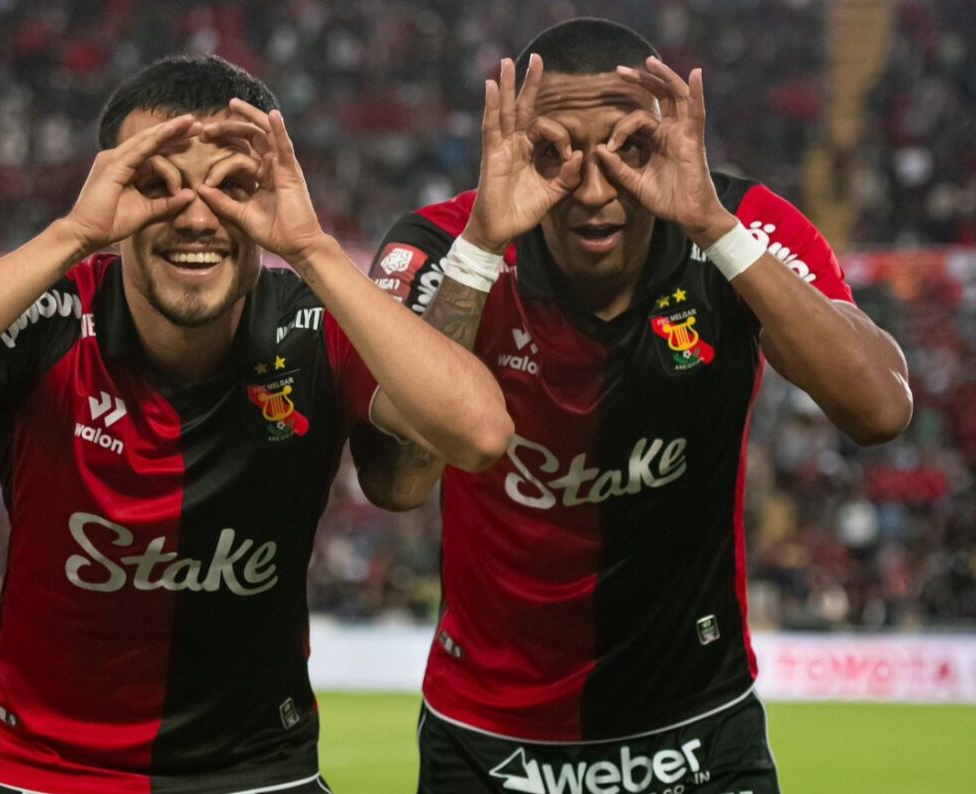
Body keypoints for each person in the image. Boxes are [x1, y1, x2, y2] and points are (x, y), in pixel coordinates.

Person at [0, 55, 513, 794]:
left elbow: (477, 434)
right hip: (34, 773)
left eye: (232, 187)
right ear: (110, 193)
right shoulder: (57, 314)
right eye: (155, 186)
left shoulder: (312, 326)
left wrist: (314, 250)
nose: (195, 216)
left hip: (256, 773)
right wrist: (72, 233)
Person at [353, 18, 913, 794]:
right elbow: (398, 482)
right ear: (511, 143)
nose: (591, 187)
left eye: (627, 148)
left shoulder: (734, 225)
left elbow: (881, 409)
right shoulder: (440, 246)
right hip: (489, 744)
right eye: (553, 151)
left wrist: (715, 228)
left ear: (669, 135)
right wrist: (481, 250)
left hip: (696, 735)